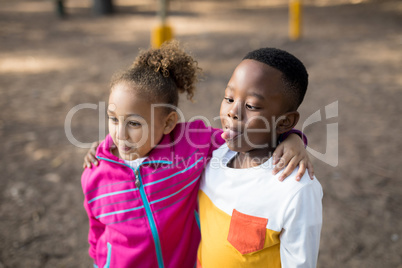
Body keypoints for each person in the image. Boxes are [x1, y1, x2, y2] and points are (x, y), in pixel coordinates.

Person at [81, 42, 313, 268]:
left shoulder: (190, 144)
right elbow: (97, 231)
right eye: (113, 119)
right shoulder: (95, 173)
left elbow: (246, 136)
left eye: (134, 123)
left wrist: (292, 138)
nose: (120, 134)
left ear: (168, 123)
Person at [197, 48, 323, 268]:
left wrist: (292, 137)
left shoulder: (296, 189)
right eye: (228, 98)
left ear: (285, 122)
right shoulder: (211, 153)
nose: (232, 112)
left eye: (252, 106)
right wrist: (295, 137)